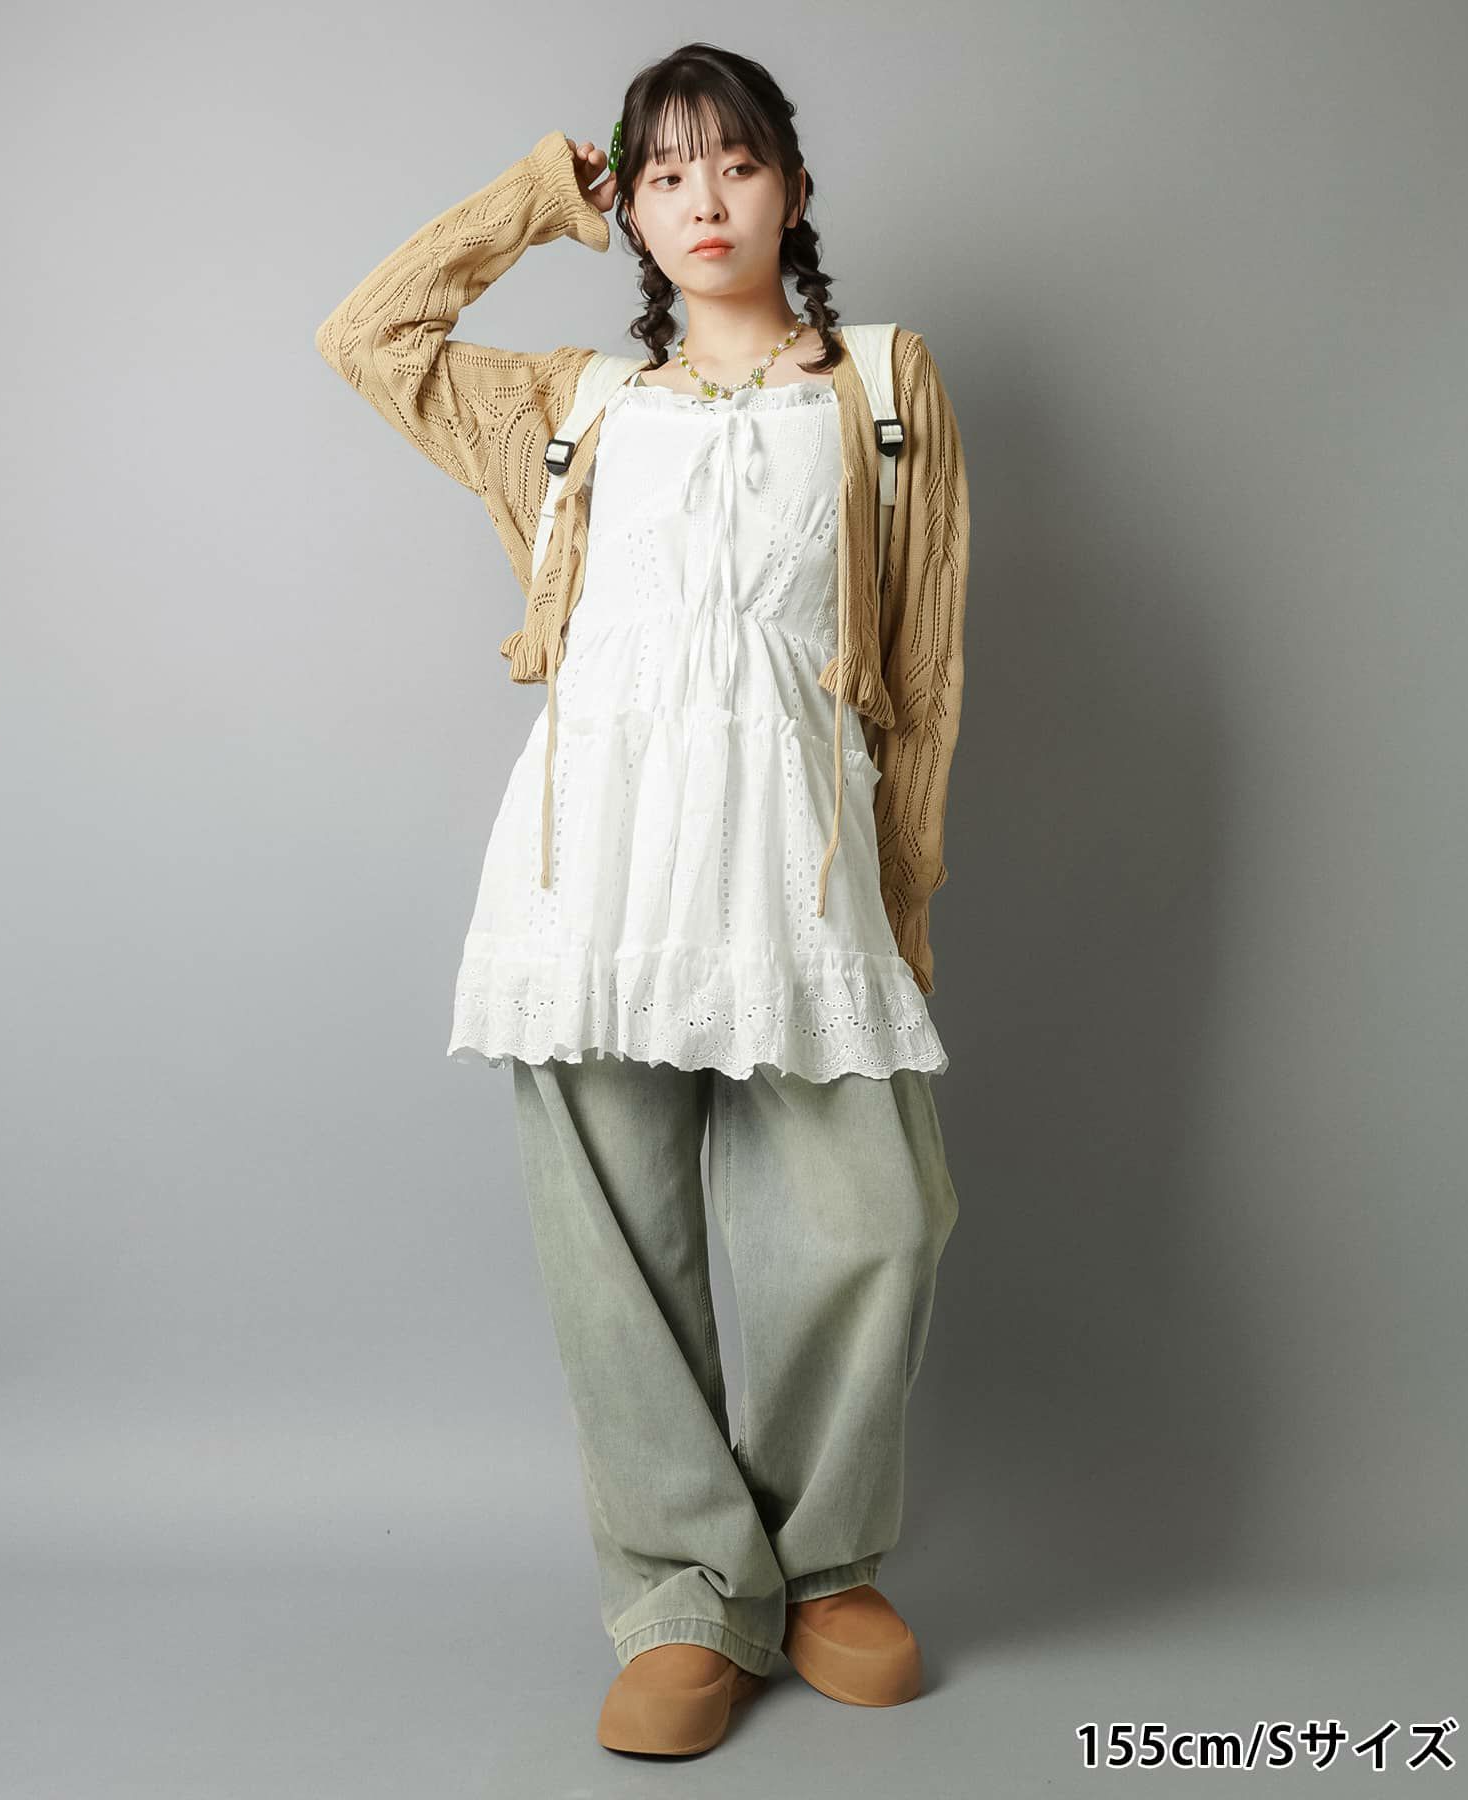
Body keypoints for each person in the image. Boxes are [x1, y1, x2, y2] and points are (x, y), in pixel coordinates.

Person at [315, 41, 969, 1759]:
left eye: (735, 162)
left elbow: (923, 675)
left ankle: (820, 1568)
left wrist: (904, 906)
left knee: (879, 1218)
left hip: (795, 861)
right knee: (616, 1249)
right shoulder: (573, 404)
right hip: (595, 863)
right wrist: (540, 195)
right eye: (664, 172)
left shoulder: (883, 386)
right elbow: (369, 339)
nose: (702, 199)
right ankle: (687, 1591)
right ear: (635, 205)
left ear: (794, 187)